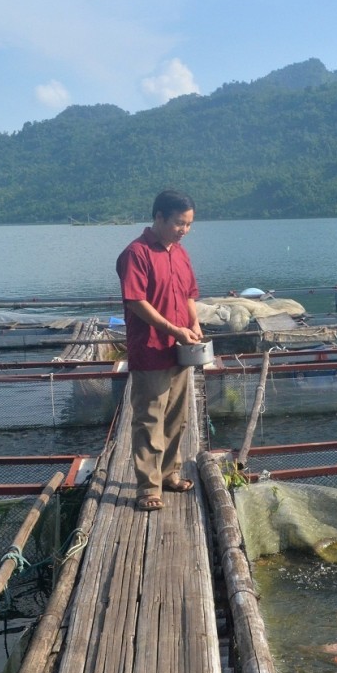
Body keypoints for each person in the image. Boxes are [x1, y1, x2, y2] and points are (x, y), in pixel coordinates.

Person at [115, 189, 204, 511]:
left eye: (189, 224)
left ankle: (170, 474)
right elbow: (136, 302)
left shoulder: (179, 253)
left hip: (180, 350)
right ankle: (148, 488)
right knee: (149, 420)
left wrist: (193, 325)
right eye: (179, 223)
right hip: (151, 349)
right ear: (159, 217)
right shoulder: (136, 253)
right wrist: (173, 330)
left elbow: (189, 294)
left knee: (177, 419)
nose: (184, 230)